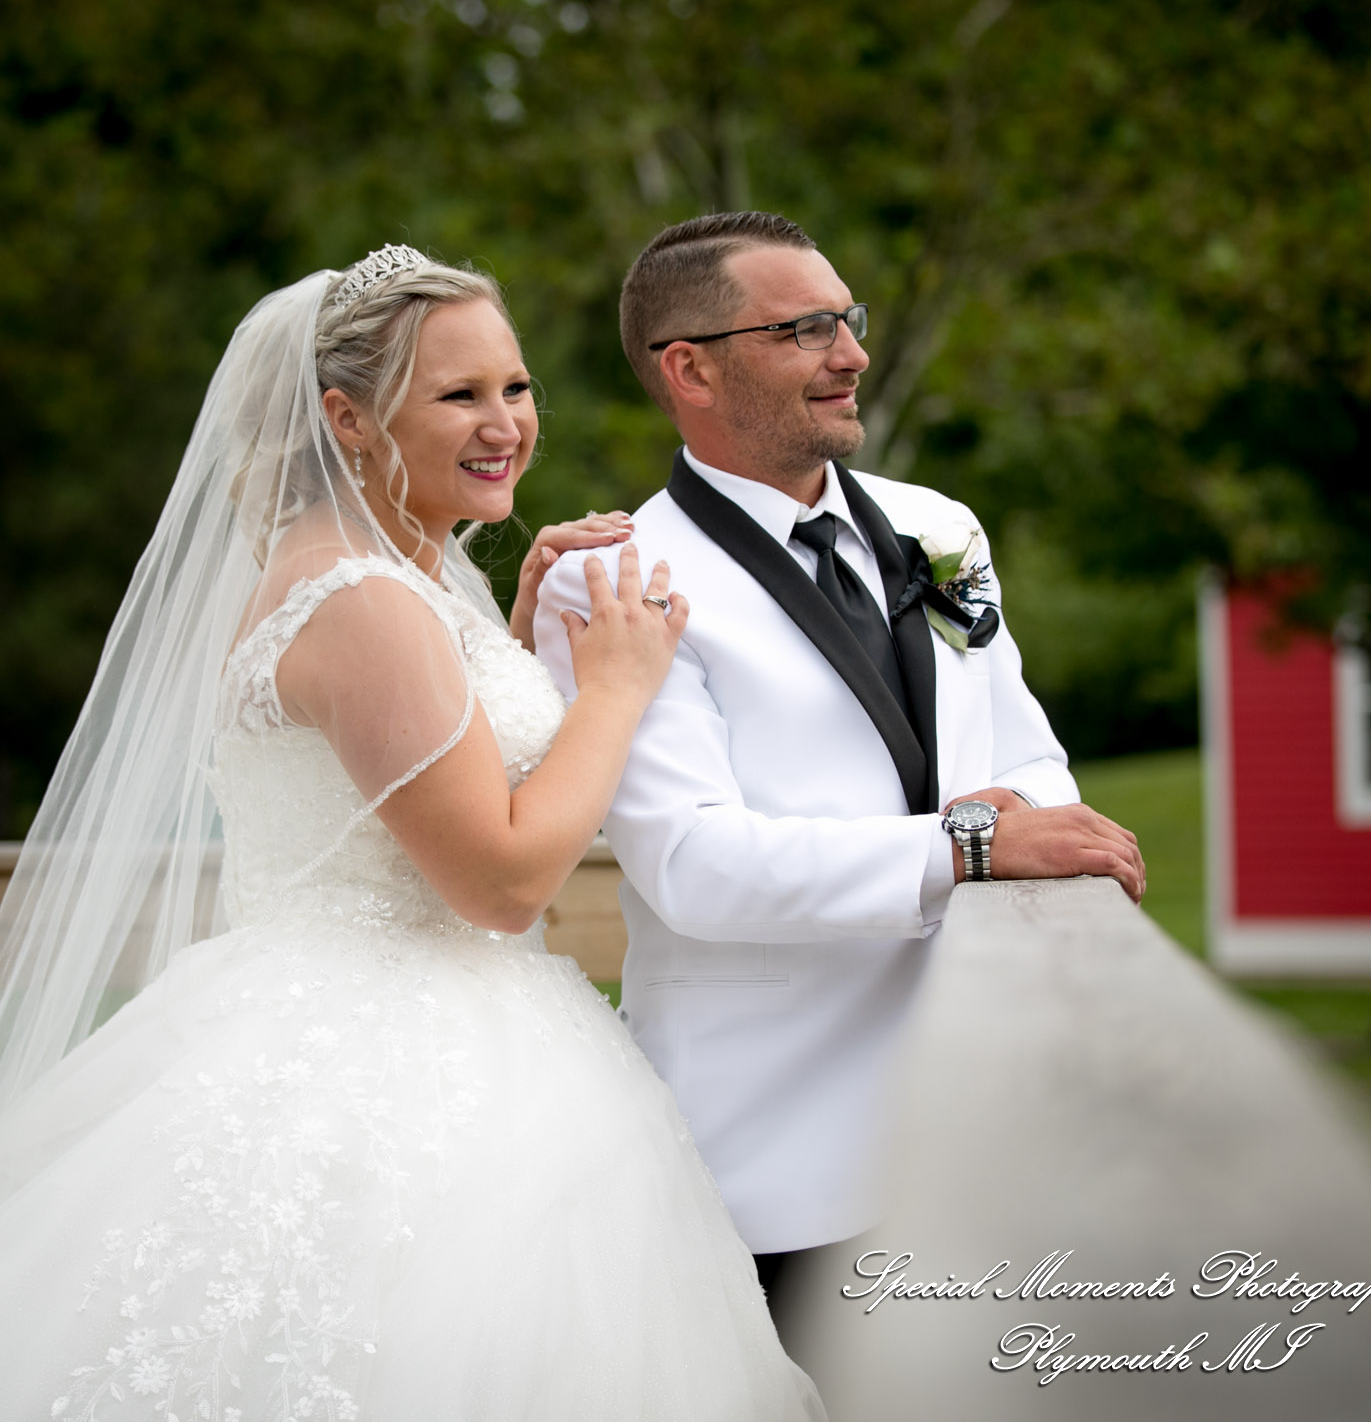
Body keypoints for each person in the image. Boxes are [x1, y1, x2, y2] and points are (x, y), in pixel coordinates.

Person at [0, 246, 824, 1420]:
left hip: (433, 1022)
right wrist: (614, 690)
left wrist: (523, 624)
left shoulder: (417, 568)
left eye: (516, 386)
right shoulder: (363, 602)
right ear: (346, 417)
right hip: (387, 1062)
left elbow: (448, 756)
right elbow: (500, 881)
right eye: (459, 395)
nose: (506, 425)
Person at [534, 212, 1146, 1318]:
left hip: (982, 1121)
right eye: (806, 329)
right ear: (692, 370)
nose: (853, 353)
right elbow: (694, 866)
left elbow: (1026, 753)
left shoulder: (940, 527)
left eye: (848, 320)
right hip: (774, 1146)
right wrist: (969, 846)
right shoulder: (613, 584)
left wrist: (1051, 834)